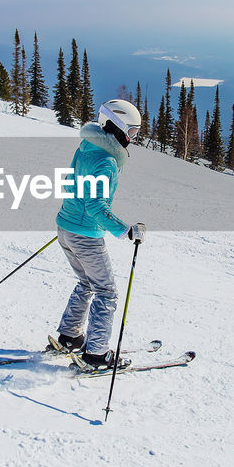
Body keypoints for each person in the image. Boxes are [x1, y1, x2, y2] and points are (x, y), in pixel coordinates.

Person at [52, 99, 146, 370]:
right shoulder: (106, 161)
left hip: (66, 228)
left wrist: (71, 220)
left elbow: (74, 184)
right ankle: (96, 354)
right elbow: (96, 205)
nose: (132, 139)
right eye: (132, 132)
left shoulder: (86, 147)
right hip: (84, 234)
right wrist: (126, 231)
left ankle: (70, 336)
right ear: (117, 127)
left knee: (86, 282)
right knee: (106, 292)